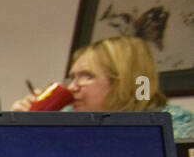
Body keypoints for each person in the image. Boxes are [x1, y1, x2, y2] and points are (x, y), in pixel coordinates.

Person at [10, 36, 193, 137]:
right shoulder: (68, 116)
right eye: (72, 78)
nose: (72, 88)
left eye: (87, 76)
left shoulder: (174, 125)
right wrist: (20, 126)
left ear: (125, 81)